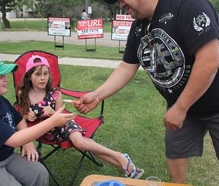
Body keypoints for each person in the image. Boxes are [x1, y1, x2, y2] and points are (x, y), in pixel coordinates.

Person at [74, 0, 219, 185]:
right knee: (175, 152)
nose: (120, 5)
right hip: (183, 106)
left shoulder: (187, 4)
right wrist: (98, 95)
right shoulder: (139, 25)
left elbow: (210, 60)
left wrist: (181, 107)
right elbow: (127, 66)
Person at [16, 54, 144, 179]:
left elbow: (61, 117)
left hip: (63, 125)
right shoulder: (24, 94)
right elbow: (21, 116)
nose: (42, 78)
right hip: (45, 131)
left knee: (80, 143)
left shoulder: (55, 94)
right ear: (29, 77)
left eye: (45, 73)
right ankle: (126, 165)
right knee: (85, 143)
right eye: (37, 74)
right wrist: (28, 116)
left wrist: (52, 113)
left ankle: (120, 157)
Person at [0, 54, 76, 186]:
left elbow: (18, 119)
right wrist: (52, 122)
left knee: (39, 172)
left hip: (4, 156)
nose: (6, 79)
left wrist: (28, 143)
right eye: (0, 76)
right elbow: (14, 140)